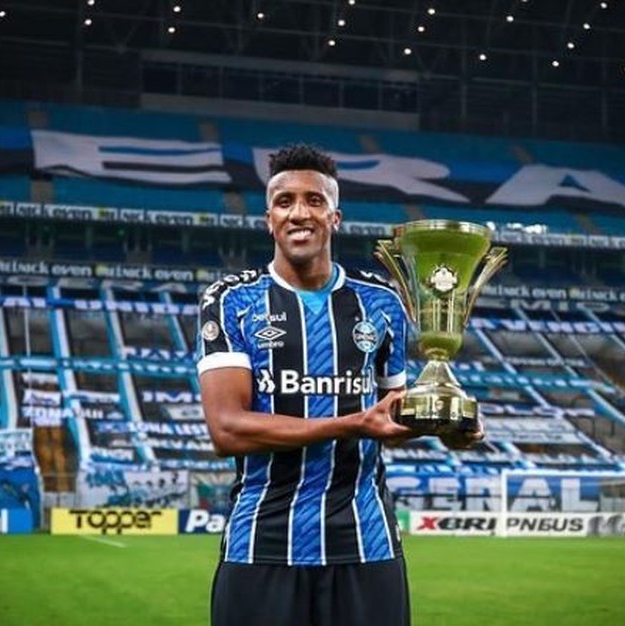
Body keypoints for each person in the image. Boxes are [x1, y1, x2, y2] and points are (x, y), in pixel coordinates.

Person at [197, 144, 483, 626]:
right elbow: (227, 430)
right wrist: (352, 422)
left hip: (365, 543)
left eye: (314, 200)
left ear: (335, 217)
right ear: (269, 219)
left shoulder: (382, 302)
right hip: (263, 543)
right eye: (285, 202)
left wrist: (448, 423)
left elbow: (391, 415)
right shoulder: (229, 299)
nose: (299, 213)